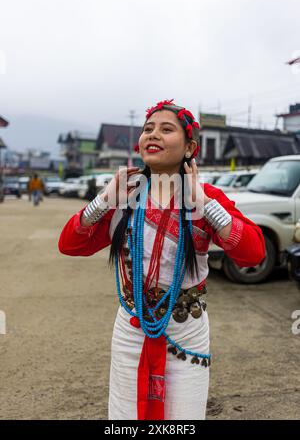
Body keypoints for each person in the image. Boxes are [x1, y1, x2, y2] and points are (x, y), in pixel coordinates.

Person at [58, 99, 266, 420]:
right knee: (125, 417)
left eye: (166, 129)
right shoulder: (123, 196)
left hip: (185, 331)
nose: (152, 135)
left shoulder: (207, 197)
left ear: (189, 147)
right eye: (148, 129)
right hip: (131, 329)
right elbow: (69, 244)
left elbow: (253, 253)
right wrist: (103, 199)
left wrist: (205, 205)